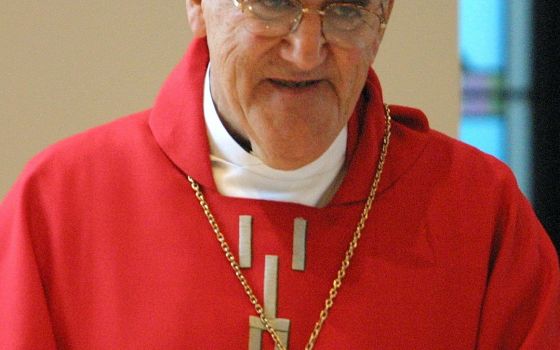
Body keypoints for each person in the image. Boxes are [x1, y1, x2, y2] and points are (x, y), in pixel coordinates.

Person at [1, 0, 558, 348]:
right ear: (197, 5)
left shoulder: (478, 213)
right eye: (271, 2)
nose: (305, 49)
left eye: (345, 8)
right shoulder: (59, 205)